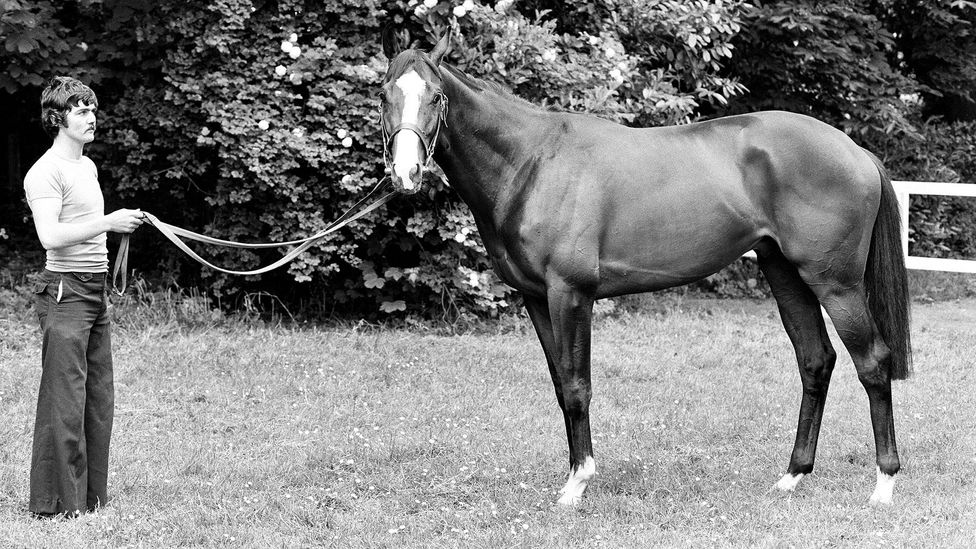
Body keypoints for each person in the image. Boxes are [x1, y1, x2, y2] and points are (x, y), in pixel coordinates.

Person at [23, 76, 145, 517]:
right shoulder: (45, 171)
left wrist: (116, 223)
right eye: (80, 110)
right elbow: (49, 235)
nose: (91, 117)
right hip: (65, 292)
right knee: (65, 399)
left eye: (92, 109)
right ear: (58, 118)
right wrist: (108, 223)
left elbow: (93, 227)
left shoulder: (87, 167)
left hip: (95, 292)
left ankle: (90, 500)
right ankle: (57, 504)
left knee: (98, 398)